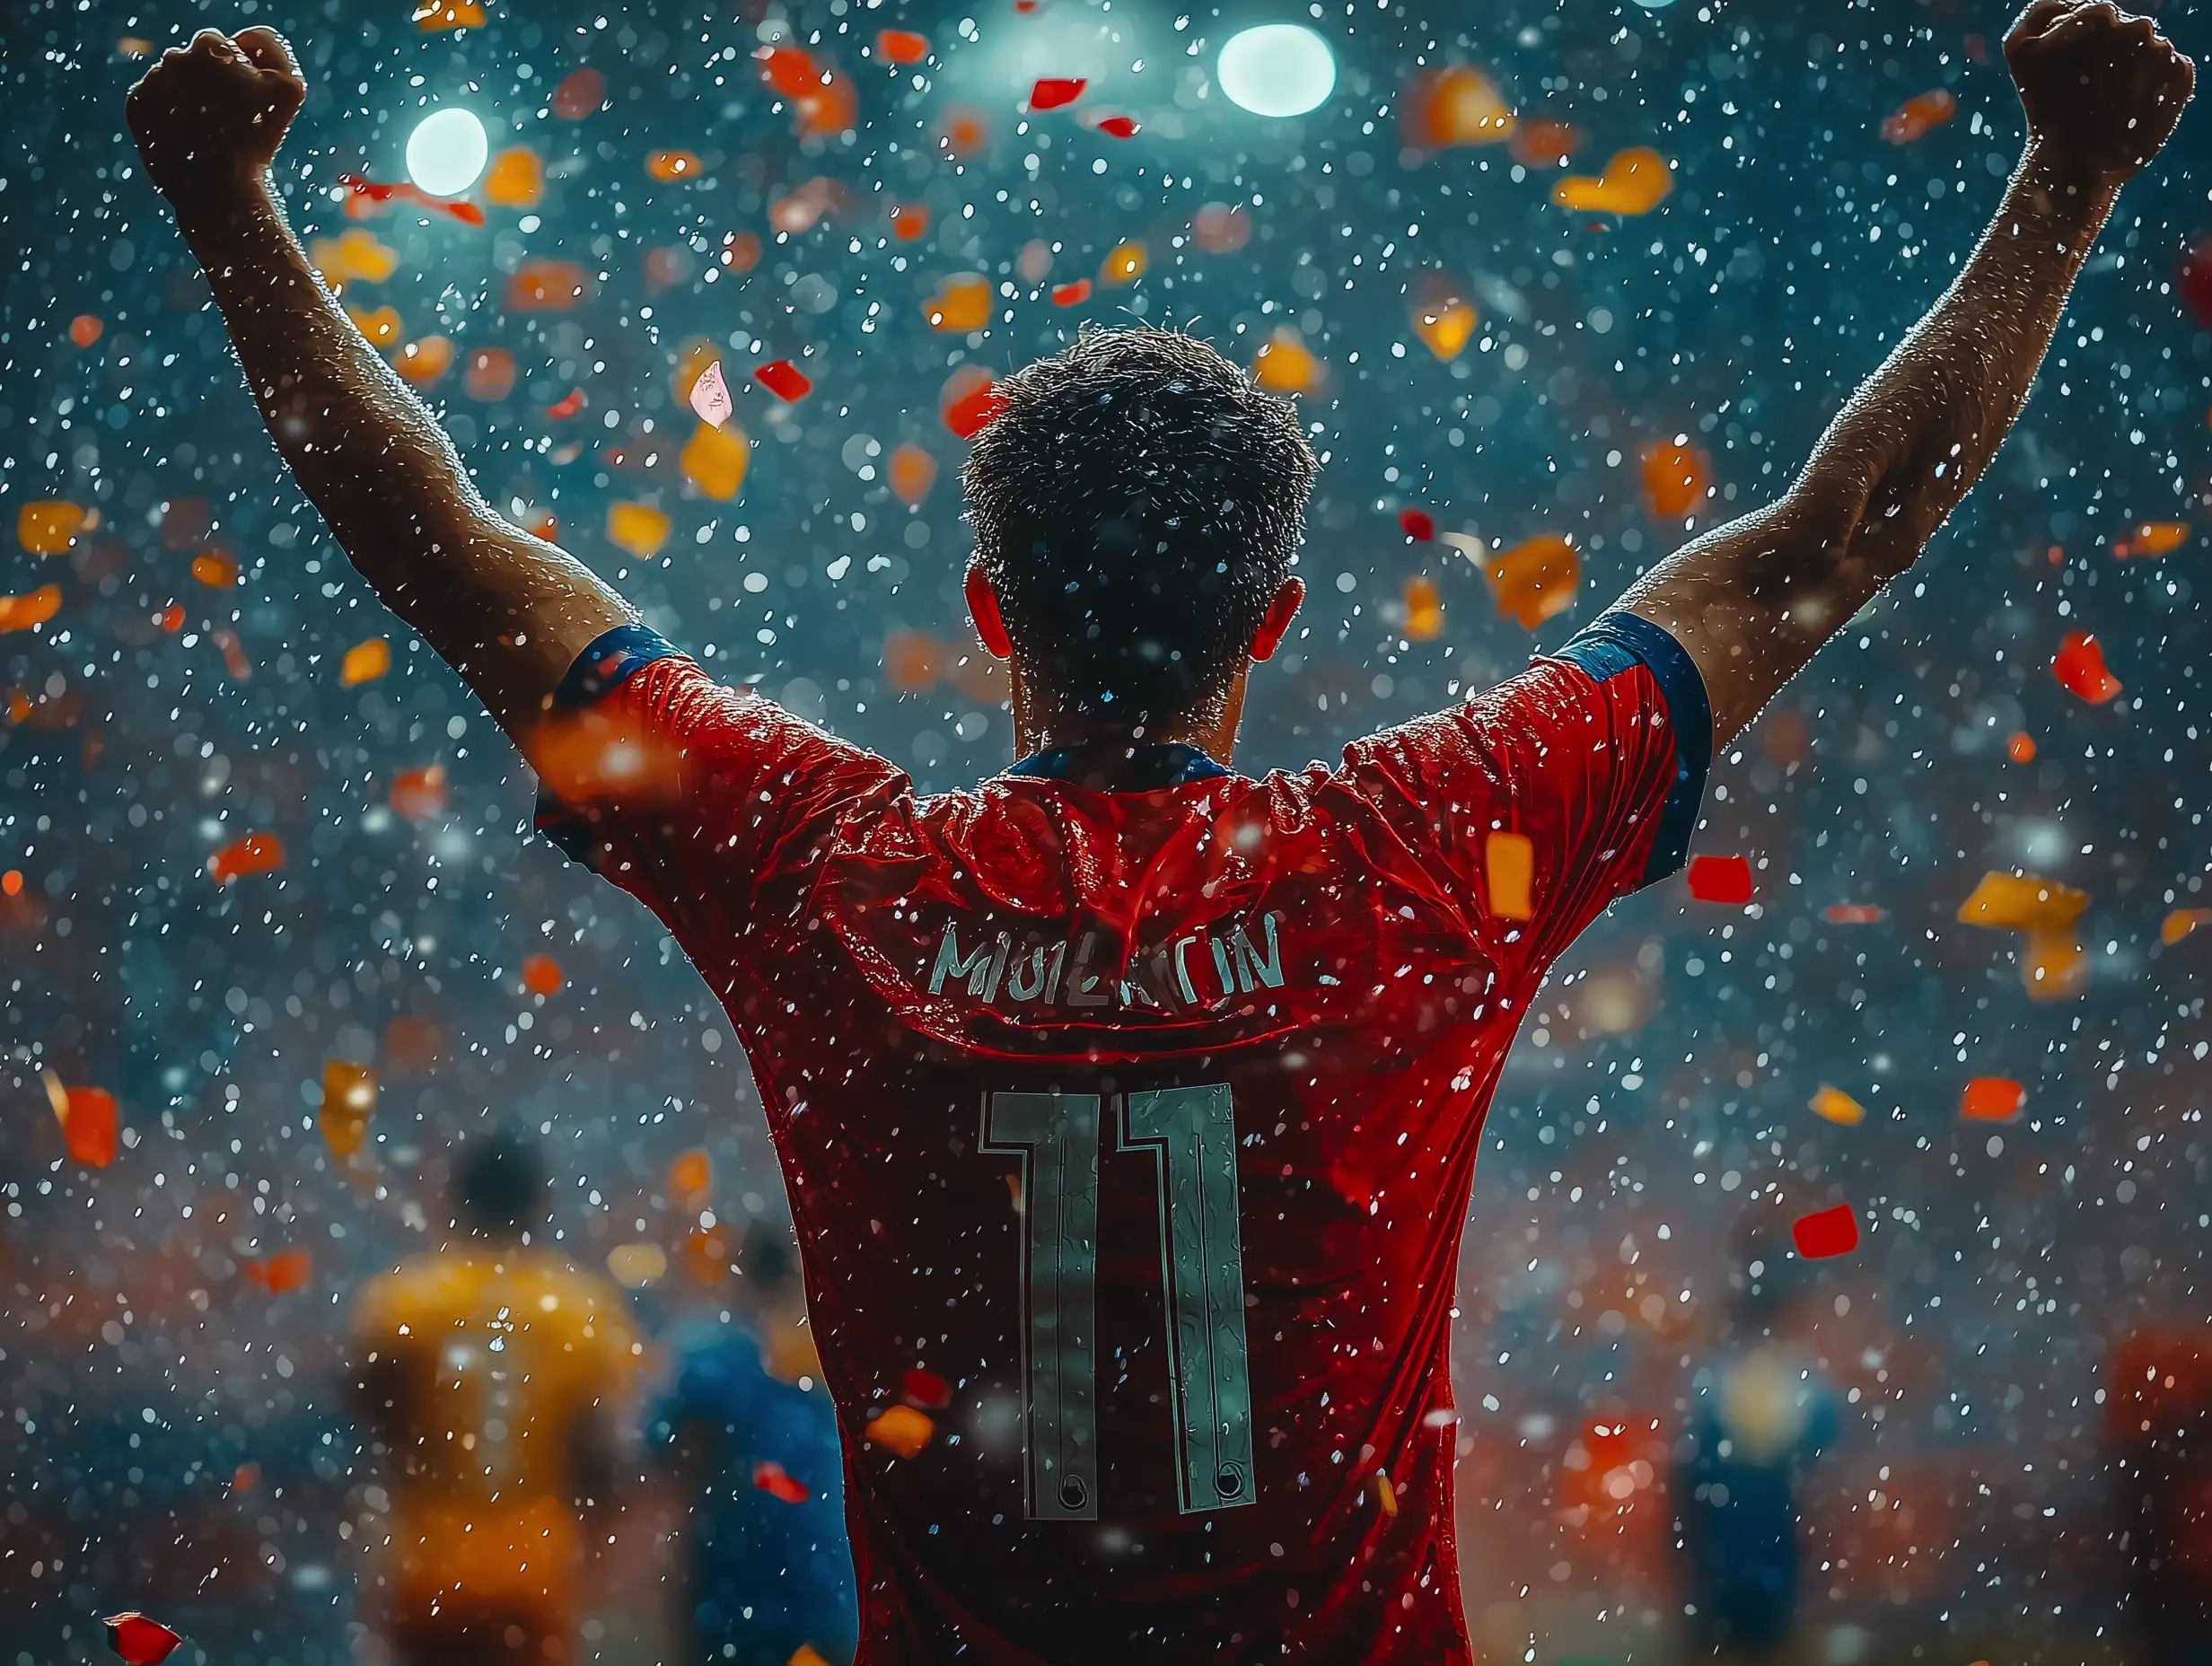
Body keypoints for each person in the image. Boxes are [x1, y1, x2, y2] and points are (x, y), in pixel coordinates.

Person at [128, 6, 2190, 1657]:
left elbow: (457, 558)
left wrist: (231, 212)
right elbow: (1818, 544)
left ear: (988, 609)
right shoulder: (1418, 850)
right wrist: (2068, 175)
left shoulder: (833, 874)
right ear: (1273, 621)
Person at [350, 1133, 637, 1664]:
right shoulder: (579, 1310)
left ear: (455, 1198)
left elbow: (370, 1428)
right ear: (538, 1203)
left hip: (429, 1569)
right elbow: (598, 1459)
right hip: (533, 1575)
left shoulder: (404, 1304)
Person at [650, 1225, 861, 1666]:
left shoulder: (712, 1356)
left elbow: (663, 1451)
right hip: (831, 1587)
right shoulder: (834, 1349)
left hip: (734, 1591)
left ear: (741, 1275)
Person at [1674, 1227, 1840, 1661]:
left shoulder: (1734, 1375)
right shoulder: (1740, 1375)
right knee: (1747, 1623)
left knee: (1749, 1624)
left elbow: (1694, 1463)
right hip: (1747, 1522)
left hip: (1751, 1521)